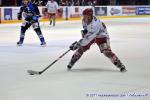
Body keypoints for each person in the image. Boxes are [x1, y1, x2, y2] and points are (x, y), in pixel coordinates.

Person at [67, 8, 127, 72]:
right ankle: (72, 62)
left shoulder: (95, 24)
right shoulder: (84, 20)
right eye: (84, 16)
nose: (84, 17)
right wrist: (84, 33)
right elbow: (87, 32)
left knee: (106, 51)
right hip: (92, 35)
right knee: (81, 48)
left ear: (90, 16)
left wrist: (78, 44)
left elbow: (88, 38)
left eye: (86, 16)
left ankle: (120, 65)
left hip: (102, 36)